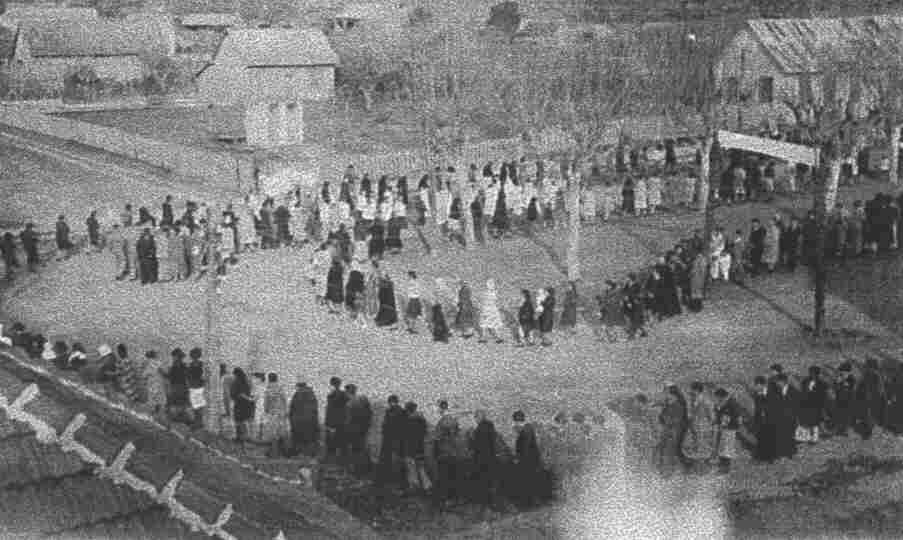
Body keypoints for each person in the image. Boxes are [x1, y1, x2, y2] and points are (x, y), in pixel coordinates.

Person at [433, 399, 463, 509]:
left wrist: (436, 452)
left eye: (438, 408)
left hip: (444, 453)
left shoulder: (442, 422)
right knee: (453, 477)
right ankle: (455, 499)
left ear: (441, 408)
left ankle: (447, 501)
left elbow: (437, 438)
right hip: (454, 452)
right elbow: (457, 436)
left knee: (445, 478)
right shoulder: (454, 421)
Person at [511, 410, 544, 508]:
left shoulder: (526, 430)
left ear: (518, 420)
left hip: (528, 460)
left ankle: (530, 504)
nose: (515, 423)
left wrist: (518, 458)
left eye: (515, 421)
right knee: (530, 481)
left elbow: (525, 447)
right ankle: (532, 503)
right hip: (531, 459)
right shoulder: (527, 428)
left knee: (528, 481)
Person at [469, 410, 499, 513]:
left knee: (484, 482)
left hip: (482, 459)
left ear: (479, 418)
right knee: (492, 482)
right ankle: (494, 503)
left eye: (476, 418)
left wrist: (471, 437)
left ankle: (486, 505)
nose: (475, 420)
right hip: (492, 457)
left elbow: (476, 446)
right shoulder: (490, 426)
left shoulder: (479, 430)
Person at [656, 383, 688, 477]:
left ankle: (669, 472)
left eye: (667, 392)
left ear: (673, 395)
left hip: (674, 431)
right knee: (663, 450)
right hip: (667, 430)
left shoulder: (678, 405)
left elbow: (677, 420)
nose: (665, 395)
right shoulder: (668, 404)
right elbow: (662, 418)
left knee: (670, 451)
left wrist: (666, 419)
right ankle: (664, 471)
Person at [402, 401, 432, 494]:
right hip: (420, 446)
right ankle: (427, 487)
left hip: (410, 446)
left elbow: (405, 435)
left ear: (408, 409)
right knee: (421, 467)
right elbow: (425, 432)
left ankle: (414, 486)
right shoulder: (421, 419)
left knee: (411, 466)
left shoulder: (408, 420)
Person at [769, 373, 799, 459]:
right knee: (781, 435)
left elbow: (797, 405)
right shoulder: (776, 391)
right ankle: (781, 452)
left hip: (790, 417)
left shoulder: (793, 391)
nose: (777, 384)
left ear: (784, 382)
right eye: (776, 382)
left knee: (790, 435)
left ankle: (791, 453)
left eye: (778, 382)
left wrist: (795, 416)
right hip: (780, 417)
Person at [683, 382, 715, 463]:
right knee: (695, 441)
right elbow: (691, 412)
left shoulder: (705, 401)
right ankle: (696, 460)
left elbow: (711, 414)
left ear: (697, 390)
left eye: (692, 389)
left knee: (702, 442)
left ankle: (702, 461)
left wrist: (711, 425)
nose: (690, 391)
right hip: (694, 424)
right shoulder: (692, 399)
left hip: (703, 425)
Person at [344, 384, 373, 473]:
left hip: (353, 429)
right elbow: (370, 413)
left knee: (354, 449)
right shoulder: (363, 399)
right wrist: (367, 425)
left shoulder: (349, 403)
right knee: (362, 448)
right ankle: (365, 468)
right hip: (363, 428)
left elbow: (348, 418)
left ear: (348, 391)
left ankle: (356, 469)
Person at [856, 358, 886, 440]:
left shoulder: (871, 375)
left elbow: (880, 390)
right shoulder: (872, 375)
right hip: (871, 397)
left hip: (870, 397)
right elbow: (880, 390)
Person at [379, 394, 406, 485]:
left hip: (396, 438)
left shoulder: (400, 411)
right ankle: (389, 477)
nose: (391, 404)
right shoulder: (391, 411)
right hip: (390, 438)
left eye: (392, 402)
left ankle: (396, 478)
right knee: (388, 458)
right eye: (390, 402)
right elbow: (385, 424)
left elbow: (402, 426)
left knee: (396, 458)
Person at [797, 366, 827, 444]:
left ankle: (814, 439)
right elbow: (802, 391)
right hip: (805, 404)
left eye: (814, 373)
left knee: (815, 422)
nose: (812, 375)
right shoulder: (805, 381)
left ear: (817, 374)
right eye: (811, 373)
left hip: (816, 405)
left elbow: (822, 395)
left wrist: (820, 405)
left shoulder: (822, 383)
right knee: (804, 421)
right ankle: (803, 437)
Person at [714, 388, 741, 473]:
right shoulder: (723, 403)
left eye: (717, 397)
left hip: (730, 428)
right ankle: (722, 466)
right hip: (725, 427)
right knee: (722, 447)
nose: (716, 399)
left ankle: (725, 468)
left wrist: (722, 424)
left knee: (727, 448)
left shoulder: (731, 403)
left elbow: (729, 416)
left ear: (721, 396)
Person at [289, 381, 320, 457]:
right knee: (309, 439)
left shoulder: (297, 394)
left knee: (299, 439)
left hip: (298, 421)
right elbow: (315, 409)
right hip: (311, 421)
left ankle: (299, 453)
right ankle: (310, 454)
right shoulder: (312, 395)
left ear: (299, 386)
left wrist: (291, 419)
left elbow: (292, 408)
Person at [751, 376, 776, 463]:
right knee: (761, 438)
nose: (756, 387)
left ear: (762, 385)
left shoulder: (771, 393)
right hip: (760, 420)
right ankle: (761, 456)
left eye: (757, 385)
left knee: (770, 438)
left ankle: (770, 457)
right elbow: (757, 409)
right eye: (755, 385)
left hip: (770, 419)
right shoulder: (757, 395)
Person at [262, 373, 288, 451]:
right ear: (277, 378)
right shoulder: (281, 387)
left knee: (273, 433)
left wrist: (266, 410)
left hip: (272, 413)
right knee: (282, 432)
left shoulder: (268, 388)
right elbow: (284, 399)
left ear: (269, 379)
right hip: (281, 412)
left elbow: (266, 402)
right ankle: (284, 450)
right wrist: (285, 410)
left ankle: (274, 451)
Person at [161, 348, 189, 421]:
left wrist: (163, 373)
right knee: (177, 402)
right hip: (177, 386)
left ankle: (179, 416)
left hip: (179, 387)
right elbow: (169, 376)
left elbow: (170, 376)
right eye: (174, 356)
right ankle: (177, 416)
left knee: (178, 401)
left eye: (175, 356)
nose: (173, 358)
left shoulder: (181, 366)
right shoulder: (177, 366)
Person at [325, 377, 349, 459]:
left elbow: (331, 410)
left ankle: (335, 459)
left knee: (334, 442)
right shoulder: (343, 394)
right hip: (340, 421)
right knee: (340, 442)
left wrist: (328, 423)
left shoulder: (335, 395)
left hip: (335, 422)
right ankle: (340, 459)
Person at [832, 363, 857, 437]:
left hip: (848, 400)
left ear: (848, 373)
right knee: (839, 414)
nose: (842, 374)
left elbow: (852, 389)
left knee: (846, 415)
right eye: (841, 372)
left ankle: (845, 430)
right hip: (839, 399)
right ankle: (838, 429)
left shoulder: (852, 379)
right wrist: (838, 382)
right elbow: (835, 387)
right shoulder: (839, 378)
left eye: (844, 372)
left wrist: (844, 384)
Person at [229, 368, 254, 443]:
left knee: (238, 421)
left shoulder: (236, 382)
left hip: (239, 403)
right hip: (246, 404)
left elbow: (234, 394)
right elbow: (249, 392)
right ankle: (246, 436)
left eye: (234, 375)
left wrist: (236, 397)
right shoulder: (246, 382)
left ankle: (239, 437)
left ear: (236, 374)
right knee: (244, 420)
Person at [186, 348, 206, 430]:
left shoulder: (202, 364)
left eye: (196, 354)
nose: (195, 356)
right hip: (192, 386)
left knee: (199, 405)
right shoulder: (190, 365)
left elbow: (204, 376)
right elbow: (188, 376)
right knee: (195, 405)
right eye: (193, 355)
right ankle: (197, 422)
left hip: (200, 386)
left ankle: (199, 422)